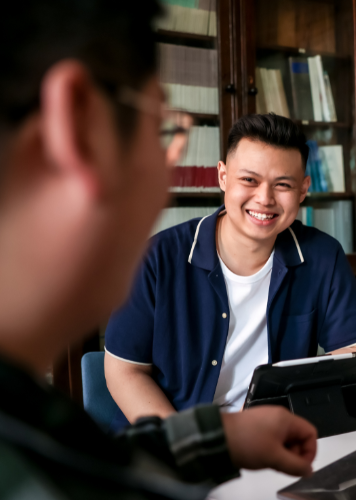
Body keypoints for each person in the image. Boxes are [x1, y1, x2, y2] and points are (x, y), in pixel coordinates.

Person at [0, 2, 318, 498]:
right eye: (162, 129)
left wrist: (217, 439)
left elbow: (95, 460)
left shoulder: (32, 423)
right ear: (80, 130)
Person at [104, 113, 356, 431]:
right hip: (170, 443)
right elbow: (124, 372)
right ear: (222, 176)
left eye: (283, 185)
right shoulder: (156, 258)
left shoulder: (321, 256)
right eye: (249, 180)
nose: (264, 198)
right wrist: (187, 443)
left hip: (269, 438)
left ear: (303, 189)